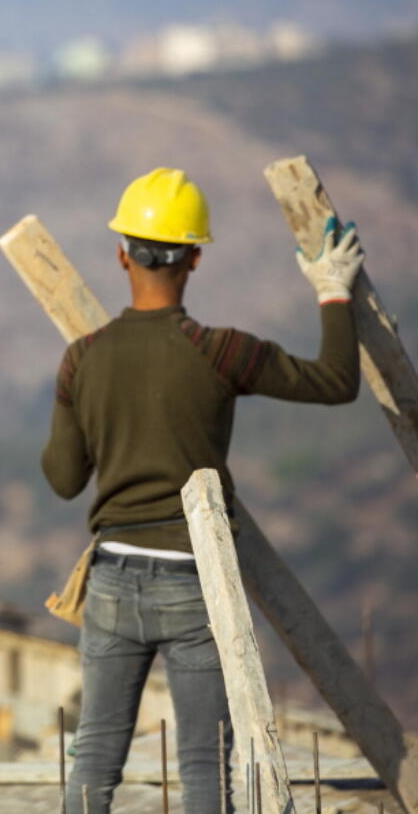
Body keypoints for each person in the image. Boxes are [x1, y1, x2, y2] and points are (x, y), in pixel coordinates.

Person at [41, 168, 363, 813]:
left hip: (111, 580)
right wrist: (332, 291)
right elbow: (335, 381)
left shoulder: (84, 357)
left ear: (120, 253)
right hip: (195, 582)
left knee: (95, 759)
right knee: (204, 768)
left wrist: (85, 409)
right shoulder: (221, 352)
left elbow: (64, 479)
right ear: (195, 258)